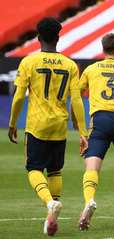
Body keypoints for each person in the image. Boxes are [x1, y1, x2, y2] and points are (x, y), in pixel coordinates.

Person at [8, 18, 88, 236]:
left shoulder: (28, 62)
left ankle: (49, 203)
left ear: (38, 37)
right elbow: (77, 100)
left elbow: (17, 98)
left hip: (37, 125)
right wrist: (83, 132)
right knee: (55, 170)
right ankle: (51, 216)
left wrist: (13, 123)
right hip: (59, 125)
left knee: (33, 169)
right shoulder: (70, 65)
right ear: (58, 37)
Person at [77, 33, 114, 231]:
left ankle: (89, 200)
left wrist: (78, 126)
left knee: (92, 167)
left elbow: (76, 96)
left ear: (103, 49)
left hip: (100, 119)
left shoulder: (91, 69)